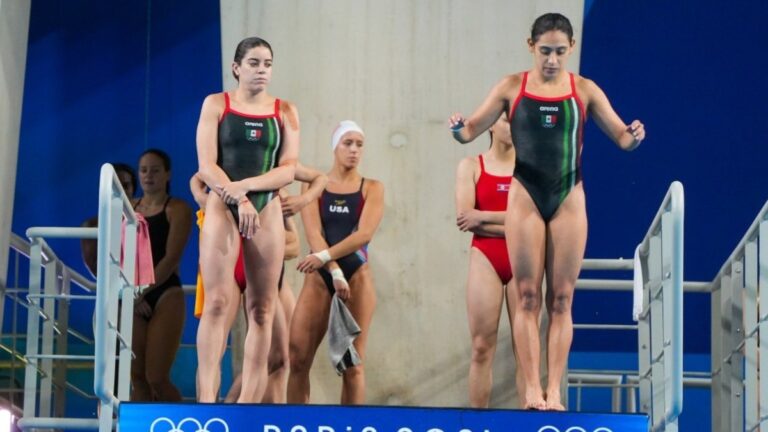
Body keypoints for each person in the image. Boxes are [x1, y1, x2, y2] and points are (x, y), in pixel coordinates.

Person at [449, 13, 645, 410]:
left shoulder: (584, 90)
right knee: (526, 296)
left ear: (571, 49)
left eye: (559, 52)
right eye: (544, 51)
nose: (552, 60)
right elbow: (470, 130)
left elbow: (622, 138)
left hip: (569, 197)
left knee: (561, 299)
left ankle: (554, 390)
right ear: (530, 47)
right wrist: (457, 128)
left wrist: (635, 137)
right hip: (525, 196)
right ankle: (531, 393)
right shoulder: (511, 87)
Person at [195, 36, 300, 403]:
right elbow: (206, 166)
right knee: (218, 303)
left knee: (261, 308)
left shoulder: (285, 111)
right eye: (254, 63)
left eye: (268, 64)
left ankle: (247, 408)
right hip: (223, 206)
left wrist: (249, 189)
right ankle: (207, 402)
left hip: (265, 204)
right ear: (237, 68)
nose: (262, 70)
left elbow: (288, 170)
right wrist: (236, 196)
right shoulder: (216, 105)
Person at [189, 163, 327, 403]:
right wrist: (201, 196)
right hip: (230, 269)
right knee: (216, 346)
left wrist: (302, 200)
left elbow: (294, 245)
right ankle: (210, 409)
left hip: (264, 272)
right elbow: (199, 174)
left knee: (279, 358)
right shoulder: (225, 175)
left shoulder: (275, 187)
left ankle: (245, 410)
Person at [287, 121, 384, 405]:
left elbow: (363, 234)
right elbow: (314, 233)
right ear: (335, 147)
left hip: (357, 276)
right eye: (348, 143)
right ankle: (296, 423)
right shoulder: (314, 184)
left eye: (359, 144)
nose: (354, 150)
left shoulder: (372, 188)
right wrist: (333, 270)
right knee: (298, 357)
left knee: (353, 364)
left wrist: (327, 259)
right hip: (321, 277)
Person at [455, 114, 519, 408]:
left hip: (522, 258)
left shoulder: (528, 169)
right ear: (491, 124)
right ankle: (478, 421)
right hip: (486, 256)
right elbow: (465, 219)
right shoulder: (470, 166)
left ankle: (531, 419)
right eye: (507, 120)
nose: (513, 126)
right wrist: (512, 223)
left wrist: (484, 216)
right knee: (481, 347)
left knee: (526, 351)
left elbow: (535, 222)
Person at [130, 149, 192, 401]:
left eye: (155, 170)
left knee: (156, 377)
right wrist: (133, 295)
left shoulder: (177, 208)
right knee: (137, 377)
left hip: (165, 292)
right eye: (144, 170)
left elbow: (171, 259)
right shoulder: (128, 207)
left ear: (168, 174)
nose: (148, 175)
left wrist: (140, 291)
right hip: (133, 295)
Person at [80, 163, 137, 277]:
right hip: (111, 289)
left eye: (125, 186)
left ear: (133, 189)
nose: (121, 191)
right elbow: (95, 267)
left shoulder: (146, 222)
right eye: (115, 186)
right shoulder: (91, 225)